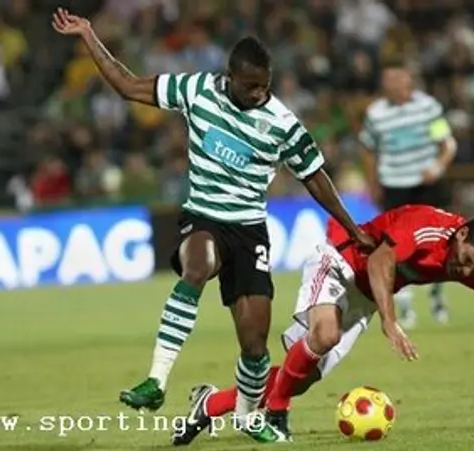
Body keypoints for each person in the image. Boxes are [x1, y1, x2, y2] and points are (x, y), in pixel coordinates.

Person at [51, 8, 376, 425]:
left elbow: (315, 178)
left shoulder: (282, 123)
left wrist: (352, 228)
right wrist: (88, 35)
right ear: (230, 77)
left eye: (265, 86)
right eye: (251, 86)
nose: (259, 93)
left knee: (255, 344)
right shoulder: (197, 89)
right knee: (197, 265)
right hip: (203, 217)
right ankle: (156, 381)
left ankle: (246, 418)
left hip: (250, 231)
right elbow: (128, 86)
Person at [174, 204, 474, 445]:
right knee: (323, 335)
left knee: (304, 376)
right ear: (461, 234)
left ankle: (209, 403)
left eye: (472, 268)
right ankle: (277, 412)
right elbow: (381, 261)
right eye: (464, 259)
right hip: (341, 260)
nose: (462, 269)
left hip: (366, 297)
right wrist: (390, 323)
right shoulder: (427, 227)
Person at [360, 61, 457, 330]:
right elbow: (368, 149)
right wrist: (373, 182)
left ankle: (437, 295)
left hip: (426, 184)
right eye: (388, 80)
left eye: (397, 78)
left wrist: (437, 166)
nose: (392, 85)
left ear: (408, 80)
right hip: (394, 184)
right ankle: (405, 308)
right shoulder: (376, 114)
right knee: (396, 248)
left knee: (438, 245)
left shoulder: (427, 107)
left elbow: (447, 143)